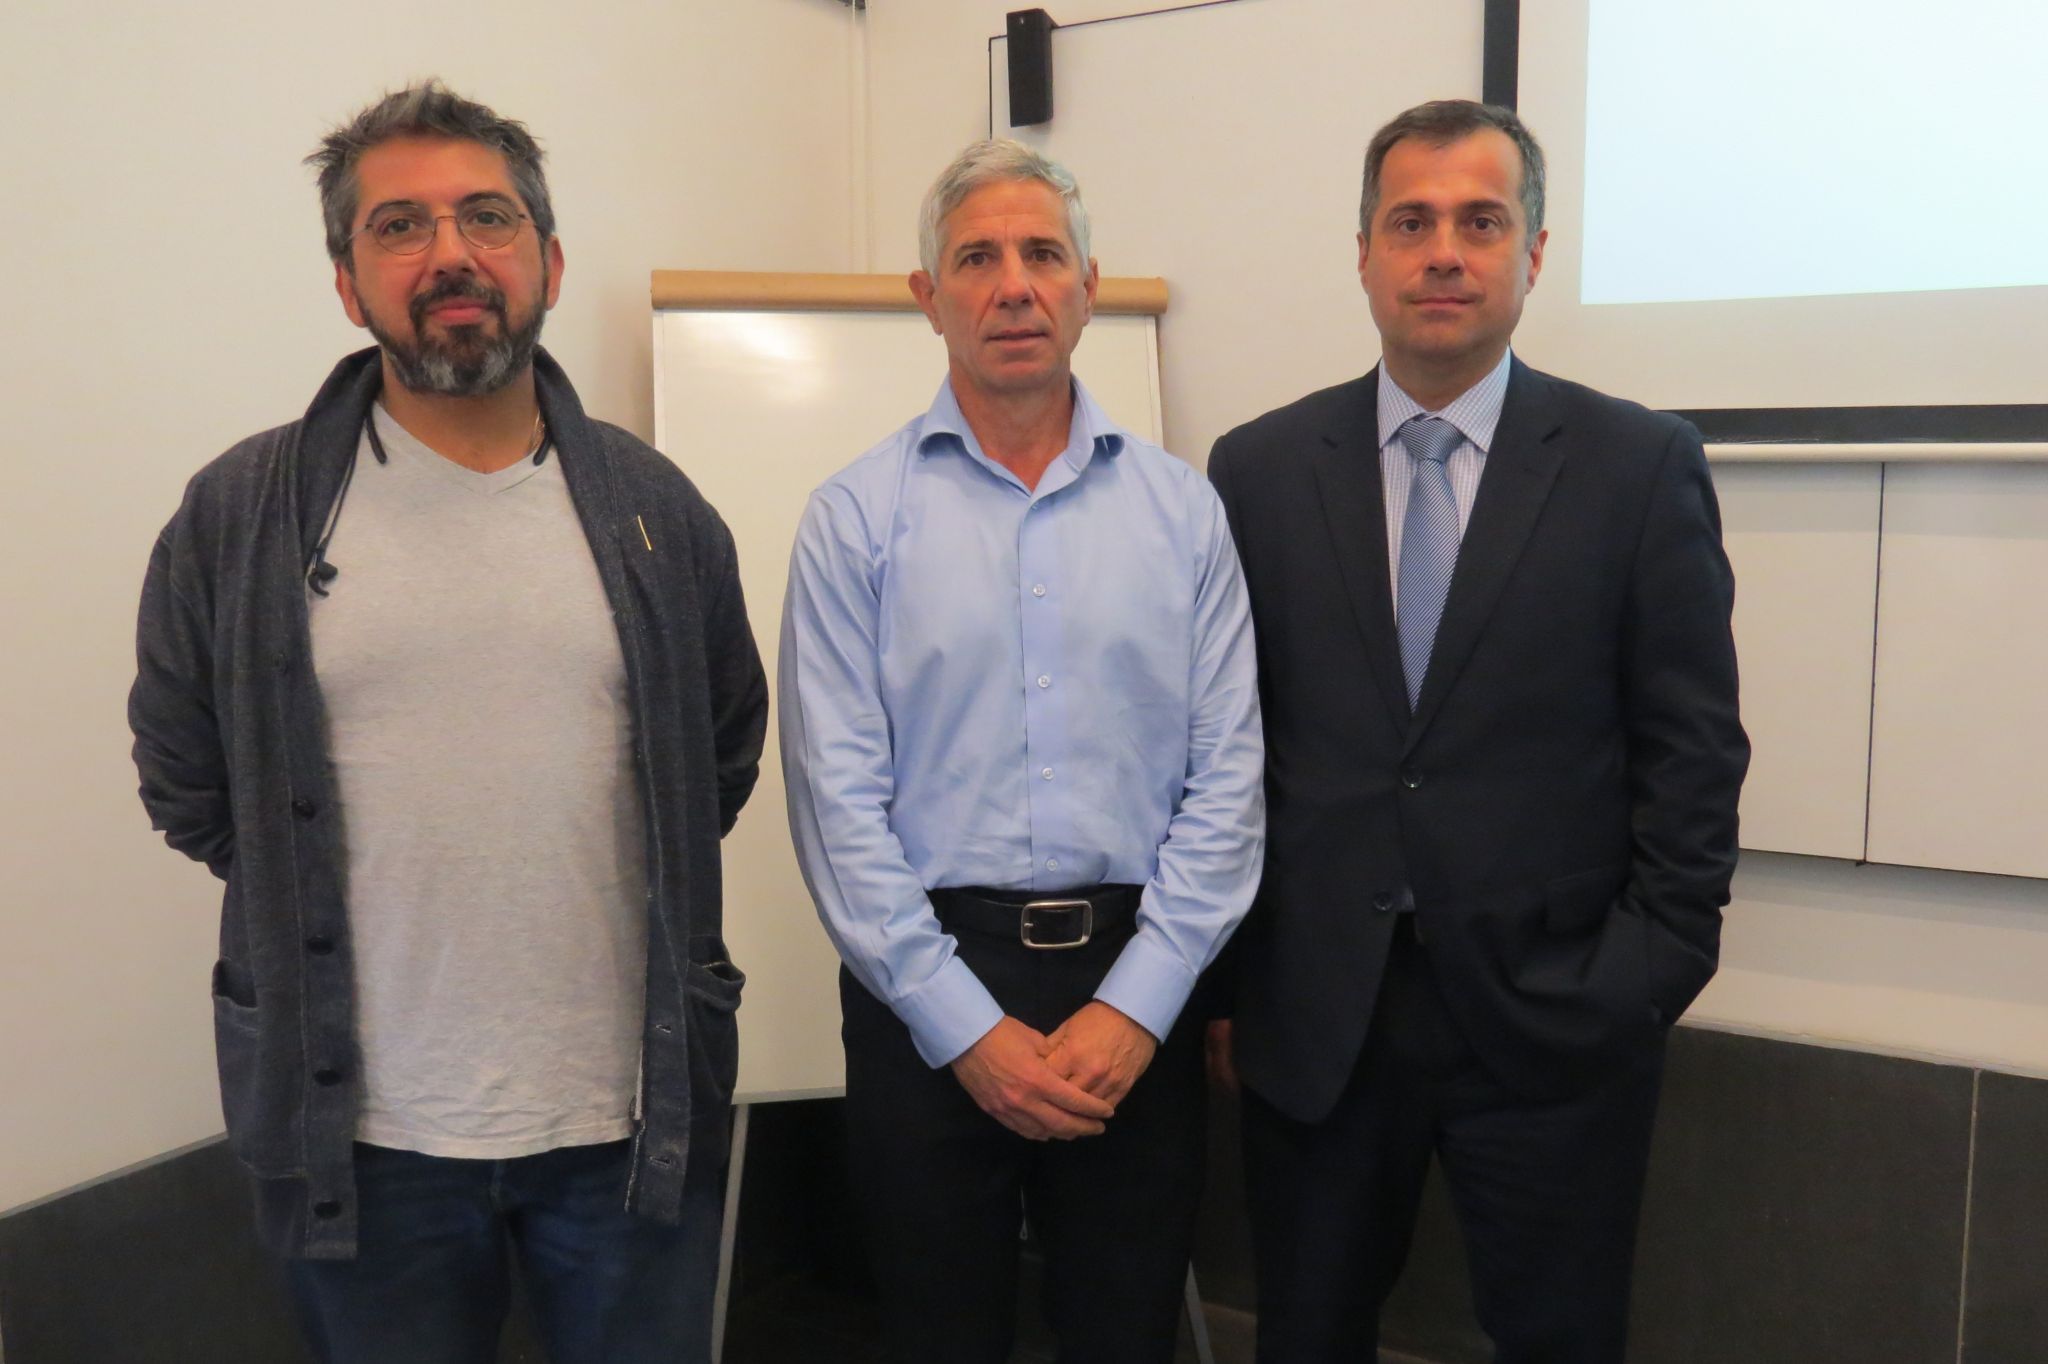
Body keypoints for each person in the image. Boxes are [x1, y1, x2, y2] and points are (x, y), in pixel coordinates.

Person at [127, 80, 767, 1364]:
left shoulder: (657, 509)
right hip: (359, 1136)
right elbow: (189, 779)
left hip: (626, 1115)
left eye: (487, 216)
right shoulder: (241, 514)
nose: (450, 254)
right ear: (346, 282)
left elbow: (720, 755)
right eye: (399, 226)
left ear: (547, 260)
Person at [1206, 99, 1748, 1363]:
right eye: (1410, 222)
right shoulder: (1257, 469)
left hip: (1556, 1017)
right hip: (1320, 1023)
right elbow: (1223, 746)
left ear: (1533, 253)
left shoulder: (1636, 465)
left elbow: (1691, 748)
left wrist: (1647, 970)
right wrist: (1230, 989)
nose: (1442, 252)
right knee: (1304, 1334)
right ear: (1361, 252)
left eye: (1480, 222)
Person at [778, 138, 1264, 1364]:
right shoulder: (852, 518)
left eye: (1042, 255)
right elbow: (835, 804)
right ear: (926, 294)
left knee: (1124, 1333)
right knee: (937, 1335)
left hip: (1132, 984)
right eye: (976, 259)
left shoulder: (1181, 514)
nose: (1012, 286)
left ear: (1087, 288)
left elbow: (1227, 781)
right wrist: (963, 1026)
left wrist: (1137, 1008)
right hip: (923, 990)